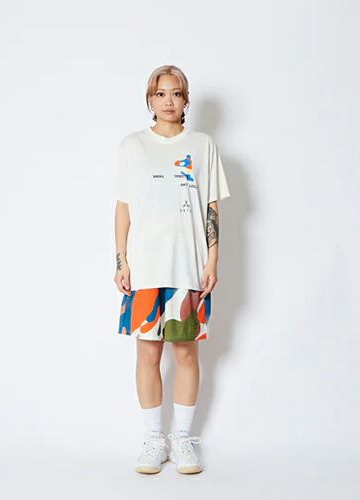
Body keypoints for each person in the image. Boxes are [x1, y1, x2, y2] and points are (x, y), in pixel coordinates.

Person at [113, 65, 230, 474]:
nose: (168, 101)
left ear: (185, 100)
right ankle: (153, 440)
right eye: (160, 94)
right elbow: (123, 207)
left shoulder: (202, 145)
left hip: (188, 267)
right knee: (147, 353)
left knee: (185, 353)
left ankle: (182, 439)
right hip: (145, 268)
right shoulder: (133, 146)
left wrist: (212, 259)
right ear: (150, 99)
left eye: (176, 93)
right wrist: (121, 260)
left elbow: (211, 206)